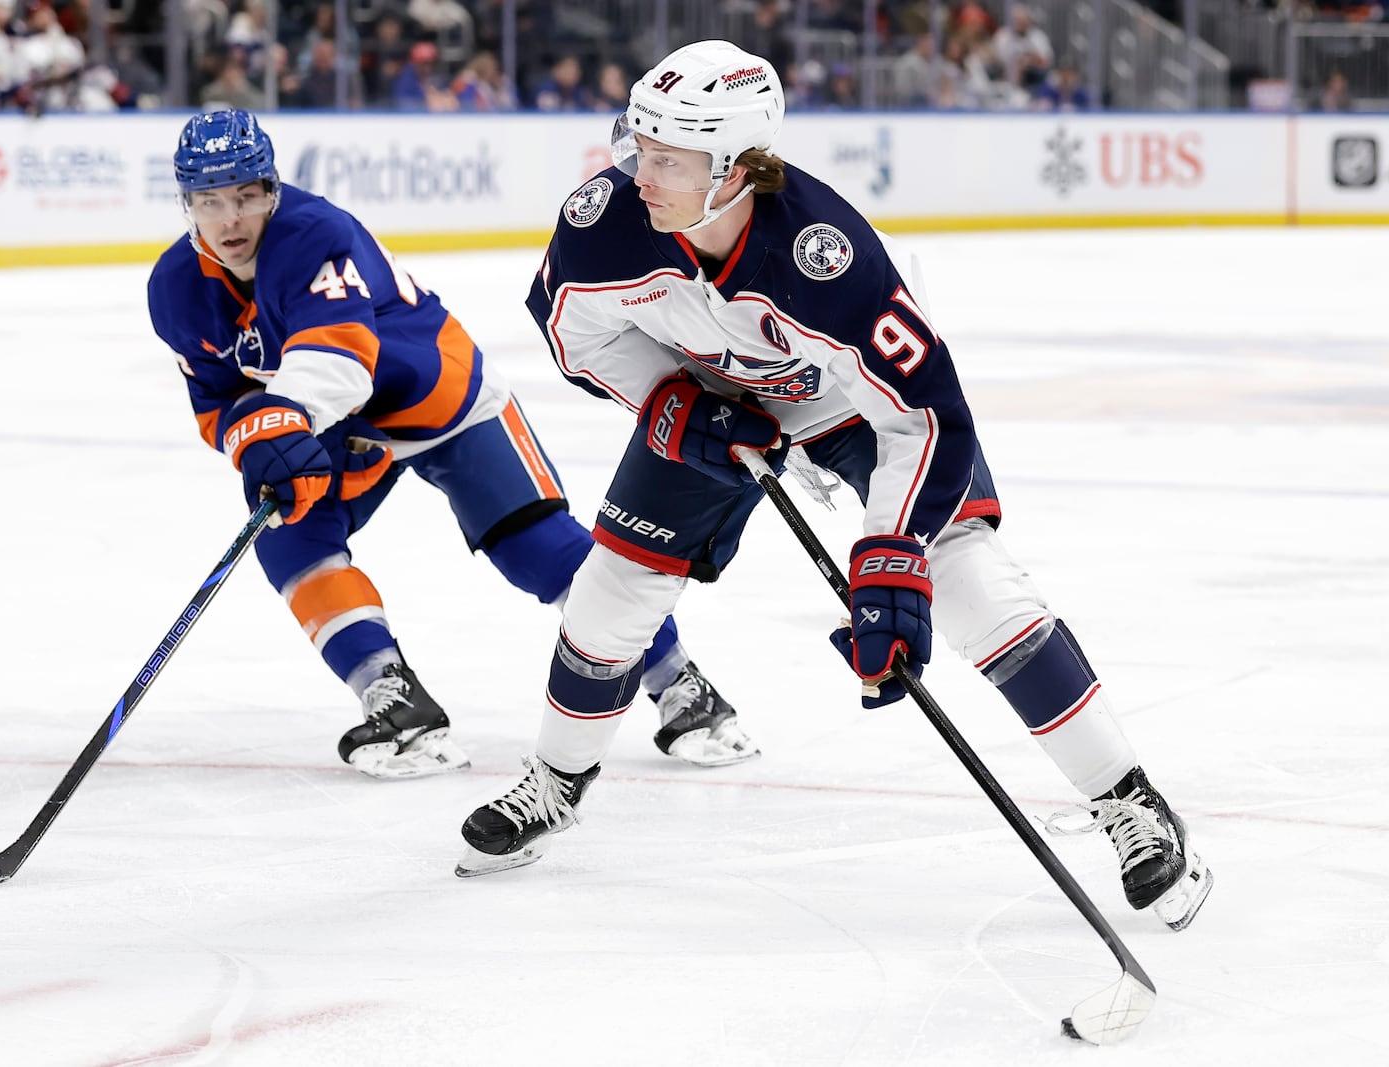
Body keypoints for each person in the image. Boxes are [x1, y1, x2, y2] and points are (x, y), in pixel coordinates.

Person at [455, 41, 1213, 935]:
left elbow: (925, 415)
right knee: (609, 590)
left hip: (855, 408)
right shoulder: (606, 220)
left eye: (667, 159)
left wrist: (891, 554)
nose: (638, 173)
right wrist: (665, 400)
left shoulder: (830, 258)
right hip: (711, 394)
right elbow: (567, 323)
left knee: (973, 584)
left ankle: (1131, 800)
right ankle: (557, 778)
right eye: (640, 146)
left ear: (736, 170)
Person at [146, 108, 759, 782]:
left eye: (245, 196)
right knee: (291, 542)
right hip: (336, 428)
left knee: (539, 549)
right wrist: (250, 433)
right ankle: (392, 693)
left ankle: (679, 682)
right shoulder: (175, 287)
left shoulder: (314, 232)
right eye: (210, 201)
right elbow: (215, 398)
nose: (230, 219)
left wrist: (277, 420)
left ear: (272, 189)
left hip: (439, 396)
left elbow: (342, 358)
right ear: (186, 205)